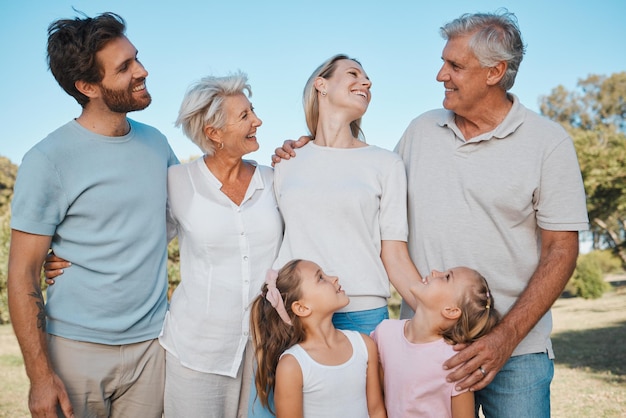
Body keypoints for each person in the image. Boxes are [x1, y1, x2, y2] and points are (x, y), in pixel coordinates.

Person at [273, 10, 589, 418]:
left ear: (495, 72)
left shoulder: (549, 144)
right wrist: (303, 152)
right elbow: (355, 182)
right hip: (419, 347)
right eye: (443, 62)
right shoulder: (421, 130)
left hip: (515, 351)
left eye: (455, 66)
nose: (441, 75)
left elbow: (561, 252)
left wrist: (505, 338)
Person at [8, 12, 178, 418]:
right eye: (125, 68)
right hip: (75, 353)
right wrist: (40, 378)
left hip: (153, 348)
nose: (142, 71)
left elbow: (198, 209)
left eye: (136, 58)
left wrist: (293, 156)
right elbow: (22, 274)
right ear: (87, 86)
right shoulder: (48, 159)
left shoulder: (157, 144)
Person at [159, 72, 283, 417]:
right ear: (214, 133)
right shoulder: (177, 182)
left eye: (252, 111)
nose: (257, 121)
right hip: (196, 351)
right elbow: (142, 240)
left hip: (265, 350)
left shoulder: (274, 179)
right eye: (244, 116)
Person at [272, 54, 422, 335]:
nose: (365, 82)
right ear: (321, 85)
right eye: (353, 74)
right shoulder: (287, 161)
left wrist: (434, 318)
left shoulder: (386, 163)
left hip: (362, 313)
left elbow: (395, 254)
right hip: (294, 312)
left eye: (367, 79)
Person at [249, 259, 387, 418]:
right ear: (302, 307)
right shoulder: (292, 365)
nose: (334, 278)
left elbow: (376, 411)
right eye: (321, 278)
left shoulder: (365, 345)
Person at [371, 267, 501, 418]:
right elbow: (377, 402)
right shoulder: (384, 334)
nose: (434, 272)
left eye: (446, 277)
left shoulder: (455, 361)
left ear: (451, 310)